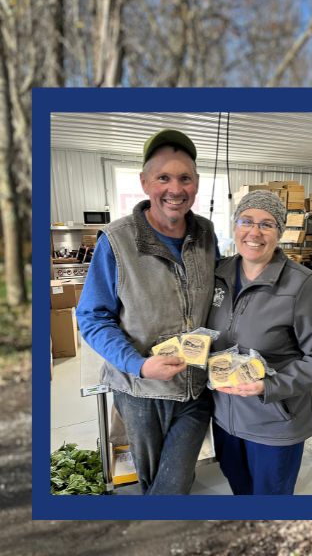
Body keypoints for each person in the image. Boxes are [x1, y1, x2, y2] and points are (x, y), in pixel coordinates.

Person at [78, 128, 218, 495]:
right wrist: (138, 364)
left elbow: (221, 293)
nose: (175, 188)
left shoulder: (206, 233)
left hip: (197, 386)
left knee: (173, 482)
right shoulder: (116, 240)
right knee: (155, 480)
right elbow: (92, 317)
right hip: (142, 390)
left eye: (185, 177)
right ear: (144, 183)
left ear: (197, 183)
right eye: (163, 178)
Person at [207, 190, 312, 495]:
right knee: (239, 488)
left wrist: (270, 386)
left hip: (274, 421)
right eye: (246, 221)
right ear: (235, 226)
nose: (254, 232)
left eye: (267, 224)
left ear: (280, 232)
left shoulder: (301, 284)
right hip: (227, 419)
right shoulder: (218, 275)